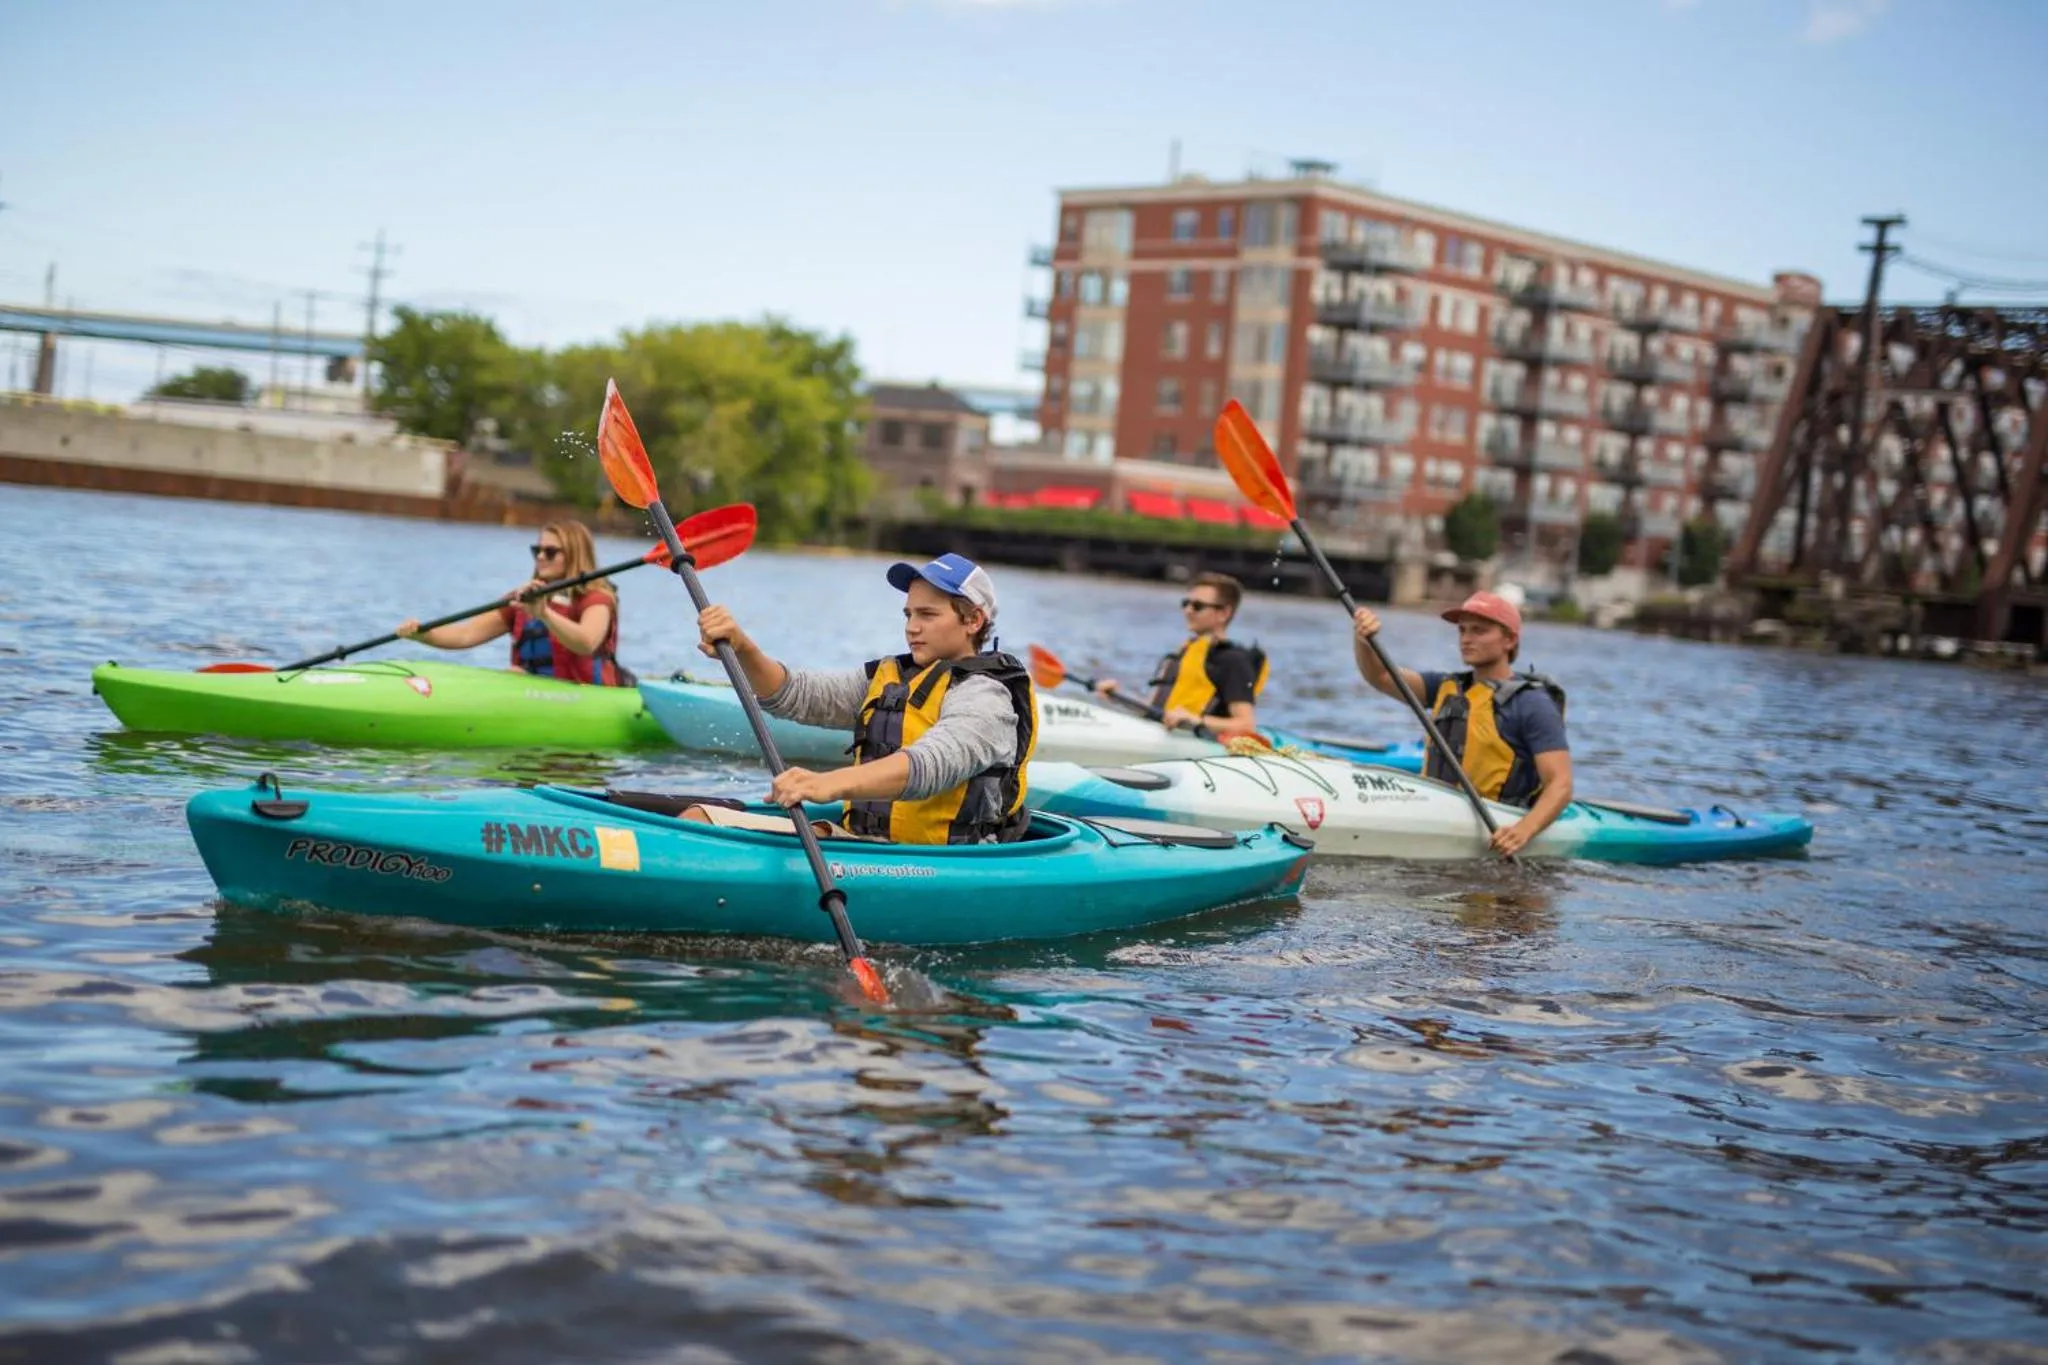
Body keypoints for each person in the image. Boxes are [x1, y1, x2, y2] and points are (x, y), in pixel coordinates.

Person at [694, 552, 1038, 845]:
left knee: (699, 824)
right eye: (909, 614)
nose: (912, 627)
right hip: (867, 844)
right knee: (696, 817)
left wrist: (826, 783)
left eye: (928, 614)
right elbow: (795, 695)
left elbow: (930, 765)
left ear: (973, 620)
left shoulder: (986, 698)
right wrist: (743, 649)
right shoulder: (890, 678)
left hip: (935, 861)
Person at [1351, 590, 1573, 857]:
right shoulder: (1445, 686)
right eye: (1462, 630)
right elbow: (1382, 676)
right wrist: (1364, 641)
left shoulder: (1531, 704)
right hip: (1437, 811)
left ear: (1510, 640)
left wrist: (1523, 830)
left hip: (1500, 821)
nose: (1466, 639)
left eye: (1479, 630)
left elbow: (1560, 784)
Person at [396, 520, 632, 686]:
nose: (540, 557)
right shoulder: (522, 598)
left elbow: (587, 642)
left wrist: (545, 614)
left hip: (586, 696)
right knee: (514, 674)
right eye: (537, 550)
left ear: (574, 555)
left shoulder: (596, 598)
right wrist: (425, 635)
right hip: (535, 694)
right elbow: (467, 634)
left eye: (550, 552)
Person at [1092, 571, 1267, 741]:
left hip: (1199, 744)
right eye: (1186, 603)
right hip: (1164, 736)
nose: (1188, 611)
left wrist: (1196, 720)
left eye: (1198, 606)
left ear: (1224, 613)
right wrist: (1117, 696)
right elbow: (1157, 711)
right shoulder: (1184, 653)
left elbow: (1246, 725)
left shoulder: (1233, 661)